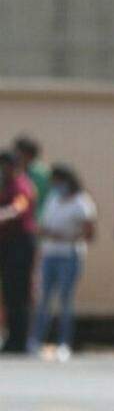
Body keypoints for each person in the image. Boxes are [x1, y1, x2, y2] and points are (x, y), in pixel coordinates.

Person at [31, 165, 96, 360]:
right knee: (44, 300)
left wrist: (66, 237)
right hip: (50, 254)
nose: (56, 186)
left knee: (65, 301)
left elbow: (89, 233)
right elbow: (42, 226)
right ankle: (35, 341)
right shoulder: (53, 198)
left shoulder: (82, 202)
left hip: (69, 255)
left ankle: (63, 343)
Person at [0, 150, 38, 353]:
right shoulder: (5, 185)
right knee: (9, 292)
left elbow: (19, 207)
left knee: (20, 292)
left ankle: (21, 340)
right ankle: (12, 338)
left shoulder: (23, 185)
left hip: (21, 243)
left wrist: (4, 214)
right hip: (7, 244)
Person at [13, 136, 51, 218]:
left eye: (20, 154)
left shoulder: (42, 175)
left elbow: (47, 200)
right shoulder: (7, 171)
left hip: (34, 220)